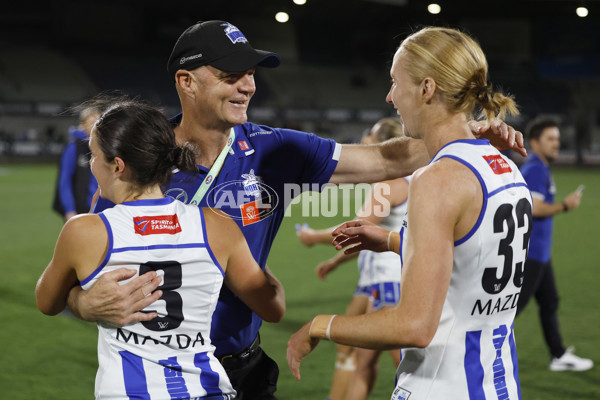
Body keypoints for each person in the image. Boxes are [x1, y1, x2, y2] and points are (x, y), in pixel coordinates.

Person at [64, 21, 526, 399]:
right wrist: (85, 302)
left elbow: (388, 158)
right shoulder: (136, 157)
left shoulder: (275, 149)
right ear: (186, 81)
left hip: (241, 368)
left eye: (250, 73)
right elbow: (74, 275)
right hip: (153, 372)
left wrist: (473, 129)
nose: (248, 85)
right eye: (230, 75)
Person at [287, 26, 533, 400]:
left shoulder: (435, 180)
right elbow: (473, 256)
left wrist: (320, 325)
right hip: (497, 382)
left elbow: (415, 326)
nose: (390, 97)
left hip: (441, 386)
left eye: (395, 82)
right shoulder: (504, 164)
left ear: (427, 88)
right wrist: (387, 239)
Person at [36, 101, 286, 399]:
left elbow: (47, 301)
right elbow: (273, 308)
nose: (91, 164)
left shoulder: (85, 231)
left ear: (118, 166)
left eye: (94, 155)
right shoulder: (217, 226)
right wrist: (256, 259)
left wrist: (83, 301)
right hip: (208, 391)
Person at [296, 118, 408, 400]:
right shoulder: (408, 182)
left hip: (388, 283)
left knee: (407, 367)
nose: (364, 136)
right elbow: (376, 238)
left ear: (383, 142)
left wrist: (312, 236)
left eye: (370, 132)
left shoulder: (388, 187)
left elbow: (358, 230)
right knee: (364, 362)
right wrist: (335, 262)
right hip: (391, 279)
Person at [517, 116, 593, 372]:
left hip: (540, 253)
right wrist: (565, 206)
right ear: (535, 142)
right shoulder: (535, 168)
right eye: (550, 139)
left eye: (558, 139)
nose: (556, 144)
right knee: (511, 310)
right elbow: (533, 206)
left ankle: (558, 354)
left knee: (550, 301)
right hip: (531, 255)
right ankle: (479, 352)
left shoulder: (539, 167)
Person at [52, 103, 103, 221]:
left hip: (101, 209)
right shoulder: (73, 148)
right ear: (82, 125)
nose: (96, 126)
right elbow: (65, 180)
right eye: (92, 122)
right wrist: (69, 209)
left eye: (99, 122)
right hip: (81, 210)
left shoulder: (105, 147)